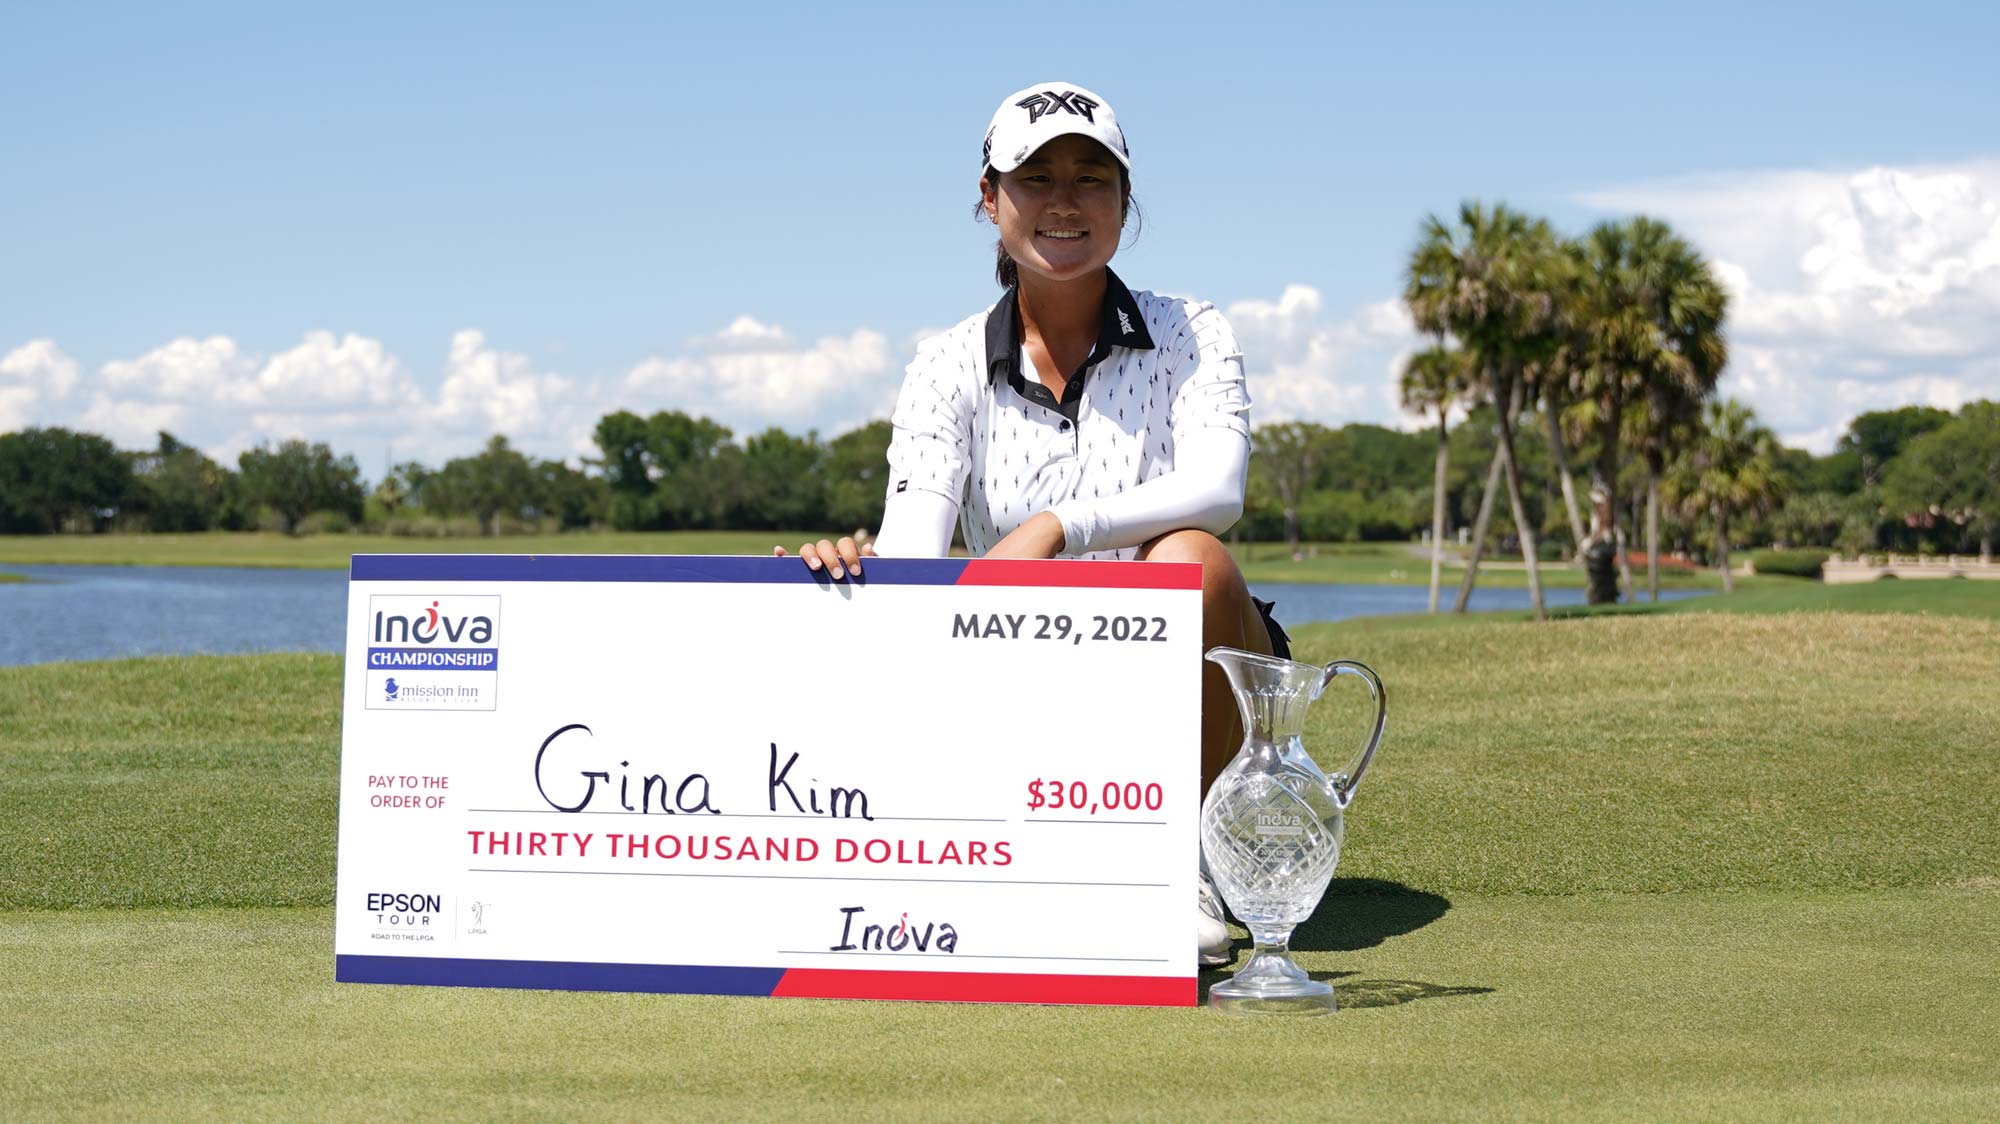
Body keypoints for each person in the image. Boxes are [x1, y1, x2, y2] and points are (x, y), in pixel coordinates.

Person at [777, 82, 1286, 966]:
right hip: (1029, 674)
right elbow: (912, 553)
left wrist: (1061, 522)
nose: (1063, 202)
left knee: (1194, 558)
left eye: (1092, 178)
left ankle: (1190, 866)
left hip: (1200, 683)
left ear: (1125, 203)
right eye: (1034, 177)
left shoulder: (1191, 329)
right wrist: (855, 564)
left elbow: (1220, 488)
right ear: (989, 199)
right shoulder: (946, 363)